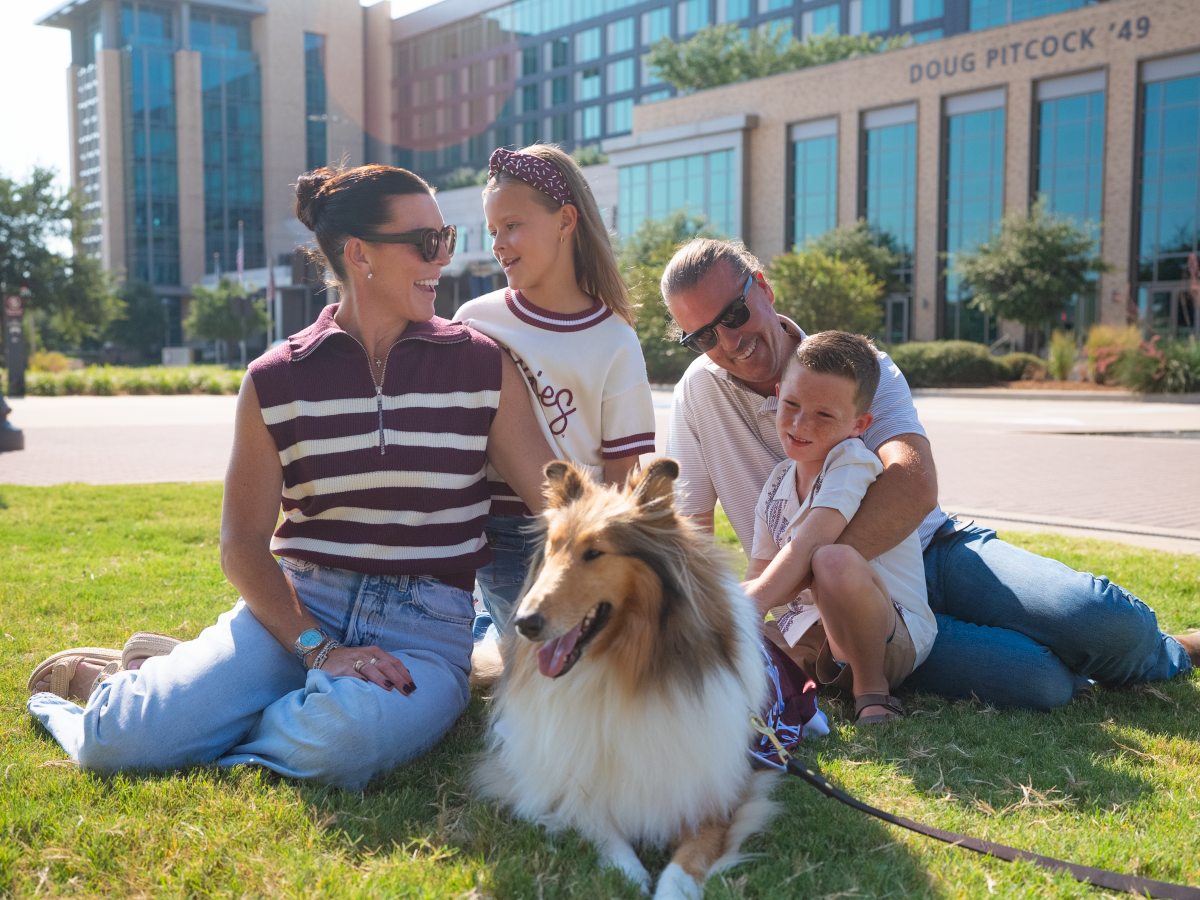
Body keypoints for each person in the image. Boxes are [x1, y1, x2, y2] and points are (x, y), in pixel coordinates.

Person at [27, 165, 558, 790]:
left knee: (340, 741)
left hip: (426, 630)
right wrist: (321, 652)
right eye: (425, 242)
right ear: (359, 254)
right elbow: (243, 546)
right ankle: (121, 693)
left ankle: (195, 701)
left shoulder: (480, 363)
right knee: (116, 745)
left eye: (444, 238)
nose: (442, 259)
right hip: (299, 612)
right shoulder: (273, 379)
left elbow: (557, 499)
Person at [661, 238, 1198, 710]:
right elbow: (688, 526)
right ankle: (1066, 660)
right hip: (844, 619)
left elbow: (912, 483)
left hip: (933, 551)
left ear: (762, 287)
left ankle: (1169, 650)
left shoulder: (855, 364)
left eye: (732, 315)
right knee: (1041, 681)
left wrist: (806, 575)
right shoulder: (696, 394)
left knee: (1102, 620)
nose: (727, 342)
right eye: (702, 336)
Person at [453, 145, 655, 635]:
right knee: (530, 669)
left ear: (566, 221)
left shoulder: (615, 339)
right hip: (500, 534)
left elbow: (623, 477)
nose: (498, 243)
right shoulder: (475, 320)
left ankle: (486, 630)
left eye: (513, 225)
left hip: (581, 543)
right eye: (493, 230)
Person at [742, 332, 936, 724]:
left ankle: (872, 692)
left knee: (831, 559)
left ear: (858, 424)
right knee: (735, 650)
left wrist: (752, 603)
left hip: (889, 635)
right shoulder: (778, 481)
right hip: (817, 635)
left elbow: (813, 542)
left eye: (824, 415)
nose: (799, 423)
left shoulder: (852, 461)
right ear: (778, 393)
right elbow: (760, 573)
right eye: (791, 404)